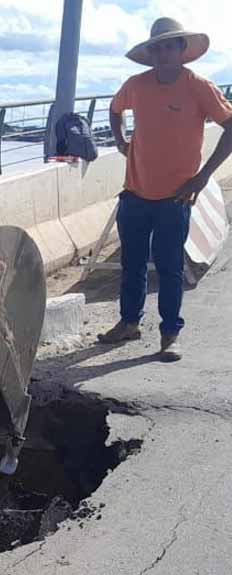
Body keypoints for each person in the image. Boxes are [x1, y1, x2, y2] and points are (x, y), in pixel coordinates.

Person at [96, 17, 232, 362]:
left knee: (170, 268)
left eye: (169, 46)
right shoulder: (136, 85)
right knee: (133, 264)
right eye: (157, 47)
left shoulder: (198, 86)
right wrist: (120, 139)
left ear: (182, 51)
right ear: (150, 52)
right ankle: (129, 323)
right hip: (135, 192)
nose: (162, 52)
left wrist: (203, 177)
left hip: (176, 197)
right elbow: (115, 110)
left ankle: (170, 333)